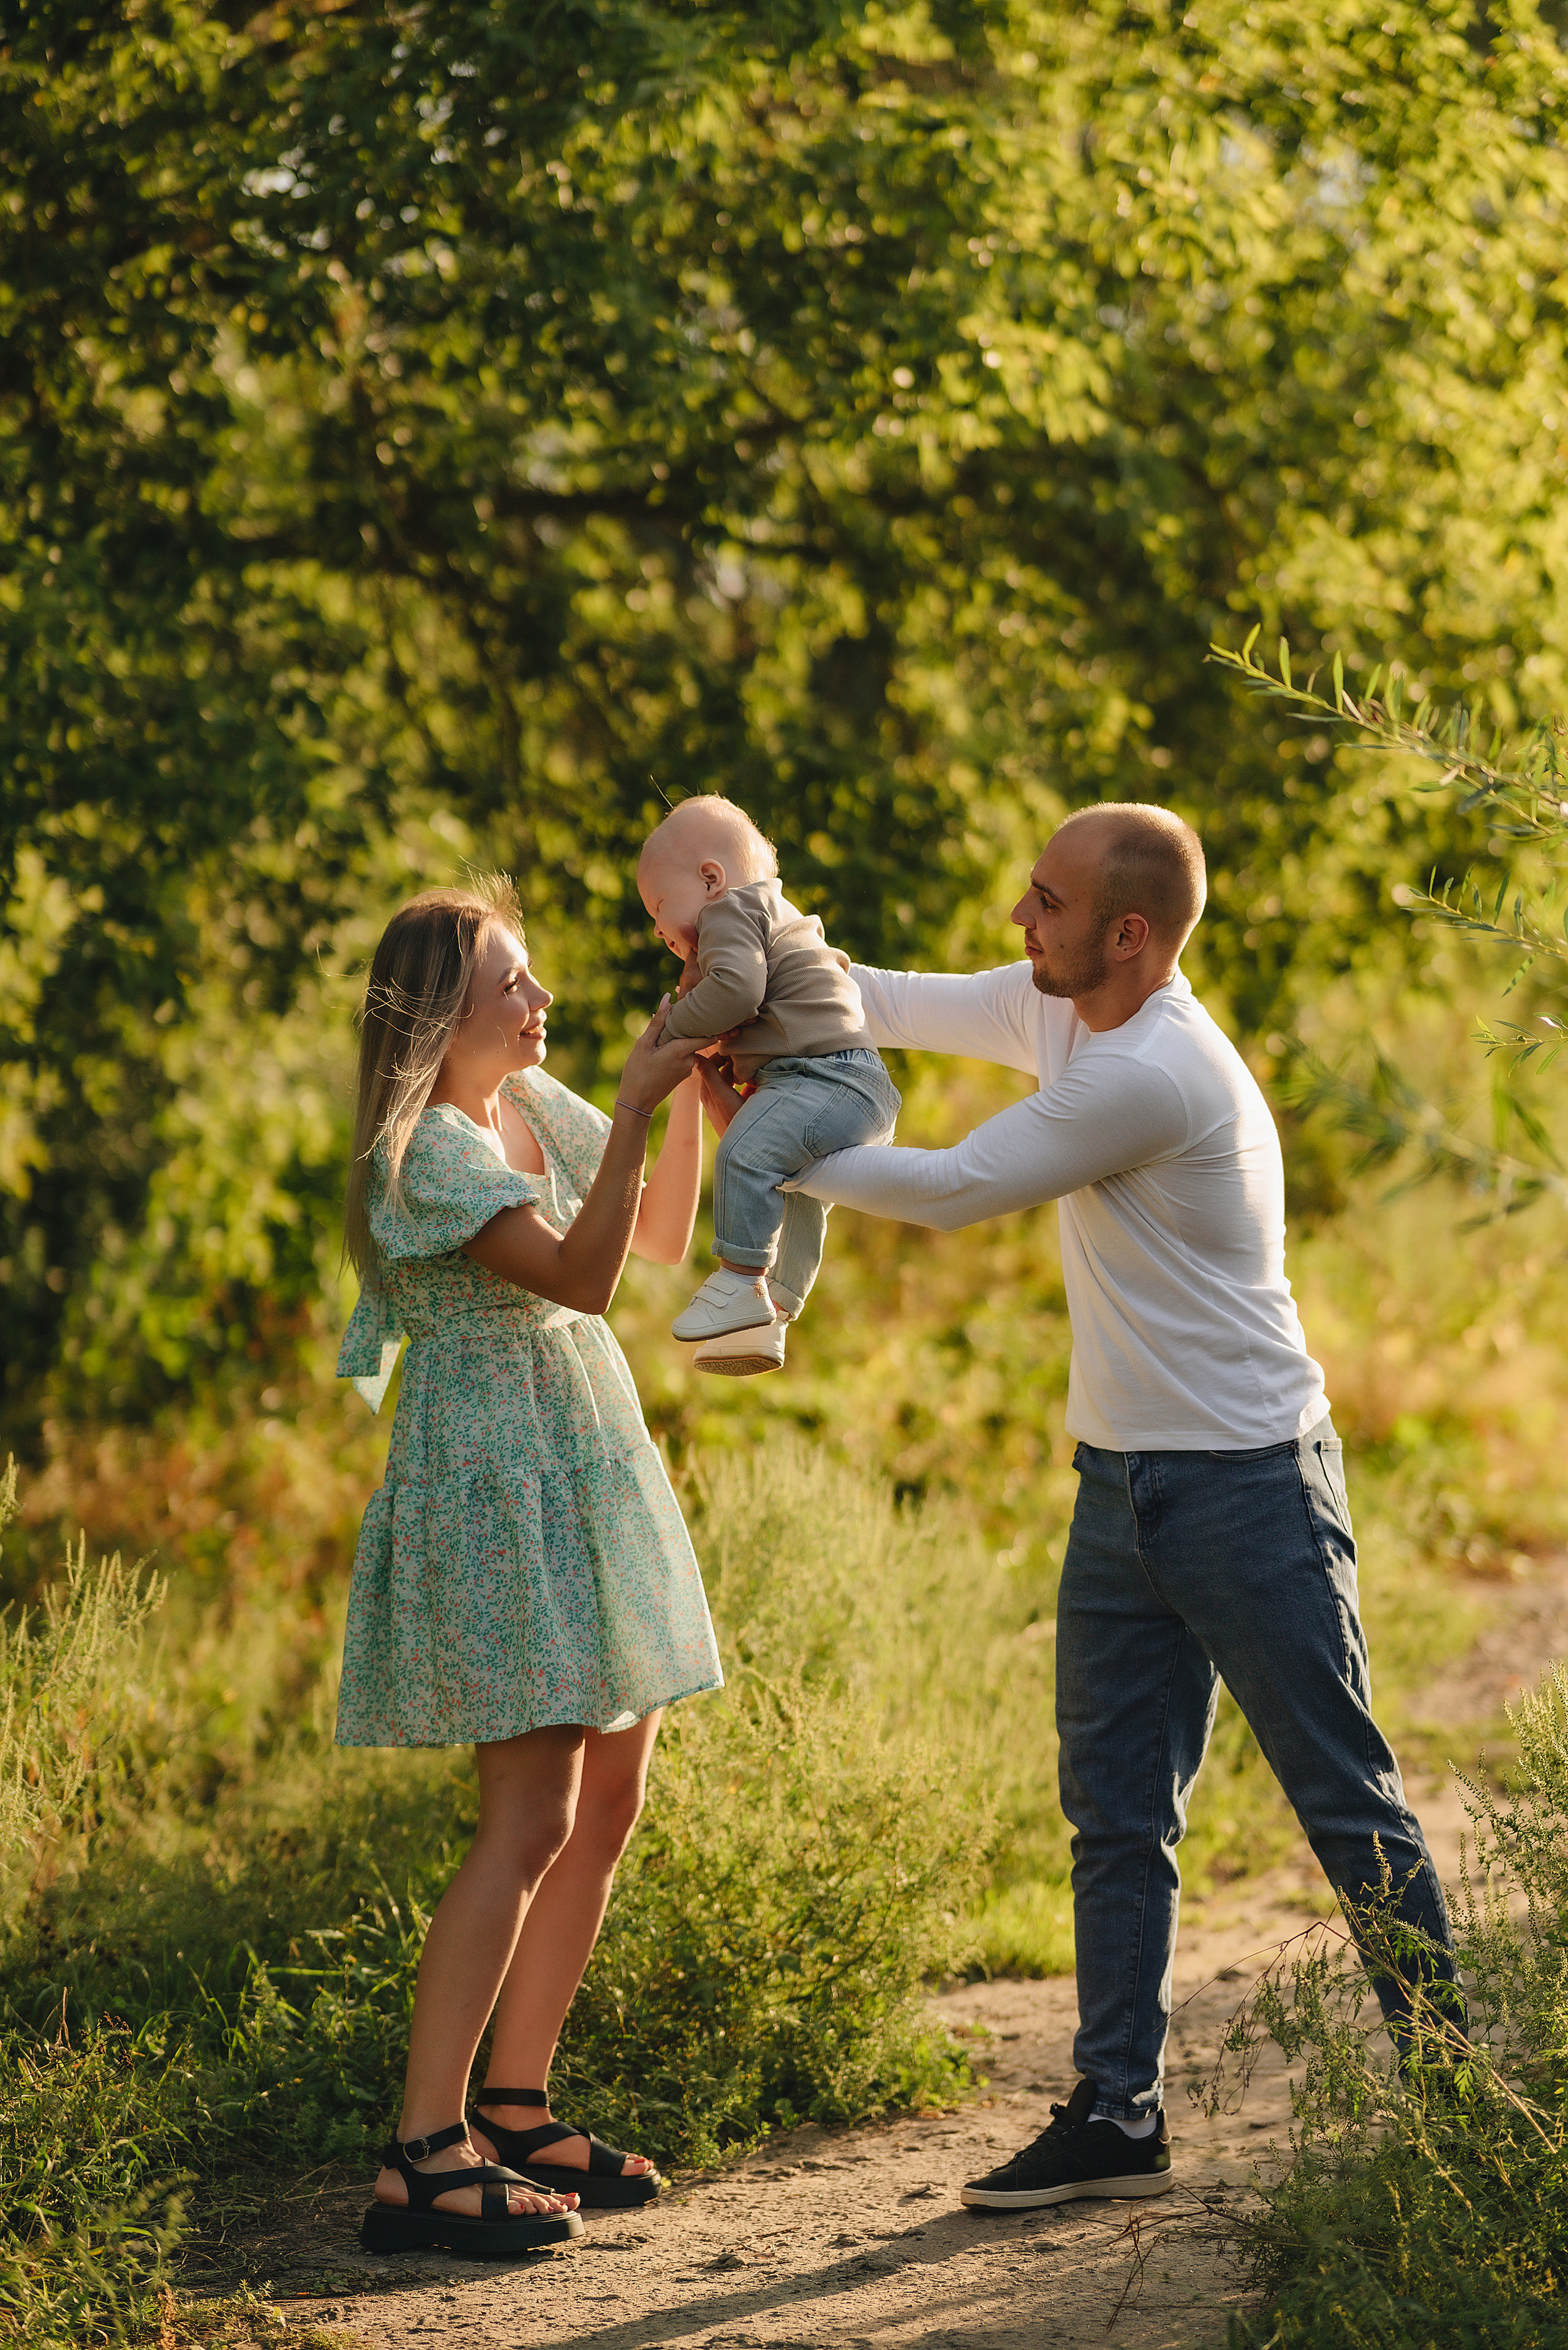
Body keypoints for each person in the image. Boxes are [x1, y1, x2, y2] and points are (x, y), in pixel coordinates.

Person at [706, 802, 1460, 2212]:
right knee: (1115, 1817)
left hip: (1249, 1490)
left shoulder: (1157, 1071)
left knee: (1344, 1804)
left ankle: (1457, 2101)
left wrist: (758, 1146)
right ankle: (1118, 2114)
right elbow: (877, 996)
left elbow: (945, 1190)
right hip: (1116, 1485)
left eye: (1043, 901)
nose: (1016, 917)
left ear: (1127, 934)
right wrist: (735, 940)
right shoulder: (1056, 1005)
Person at [336, 876, 723, 2257]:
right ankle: (421, 2150)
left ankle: (512, 2098)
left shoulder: (525, 1108)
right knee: (529, 1810)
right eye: (512, 983)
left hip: (578, 1459)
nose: (540, 999)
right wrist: (626, 1111)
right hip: (500, 1481)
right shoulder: (433, 1149)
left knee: (609, 1787)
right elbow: (579, 1275)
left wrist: (685, 1098)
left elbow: (661, 1231)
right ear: (442, 1014)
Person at [639, 795, 900, 1376]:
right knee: (798, 1189)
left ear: (711, 879)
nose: (658, 930)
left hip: (828, 1077)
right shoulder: (776, 918)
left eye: (658, 907)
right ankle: (773, 1312)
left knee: (744, 1152)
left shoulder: (730, 910)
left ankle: (738, 1280)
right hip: (845, 1084)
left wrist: (672, 1030)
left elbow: (735, 991)